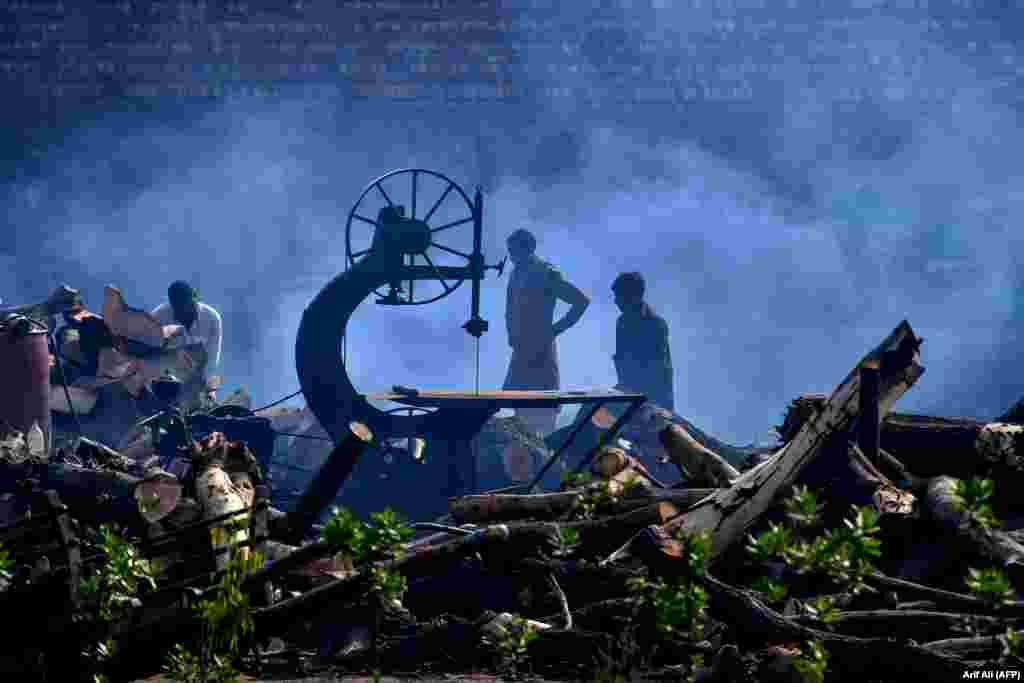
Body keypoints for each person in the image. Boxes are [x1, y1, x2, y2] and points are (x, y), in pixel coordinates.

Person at [503, 228, 590, 437]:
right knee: (521, 410)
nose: (512, 256)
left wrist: (555, 330)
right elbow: (510, 308)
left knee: (543, 410)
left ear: (528, 249)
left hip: (541, 351)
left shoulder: (546, 273)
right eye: (510, 251)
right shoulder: (516, 273)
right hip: (521, 350)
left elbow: (580, 300)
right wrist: (511, 334)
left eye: (515, 251)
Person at [151, 280, 223, 409]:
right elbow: (150, 354)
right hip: (166, 382)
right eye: (178, 308)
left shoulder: (212, 318)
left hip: (199, 379)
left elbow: (212, 357)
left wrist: (206, 388)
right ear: (171, 304)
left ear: (194, 300)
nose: (183, 312)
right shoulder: (158, 318)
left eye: (187, 306)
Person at [611, 271, 674, 412]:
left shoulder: (655, 324)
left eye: (619, 296)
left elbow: (659, 371)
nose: (616, 301)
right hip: (629, 395)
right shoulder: (621, 322)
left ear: (632, 296)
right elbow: (621, 360)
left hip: (654, 401)